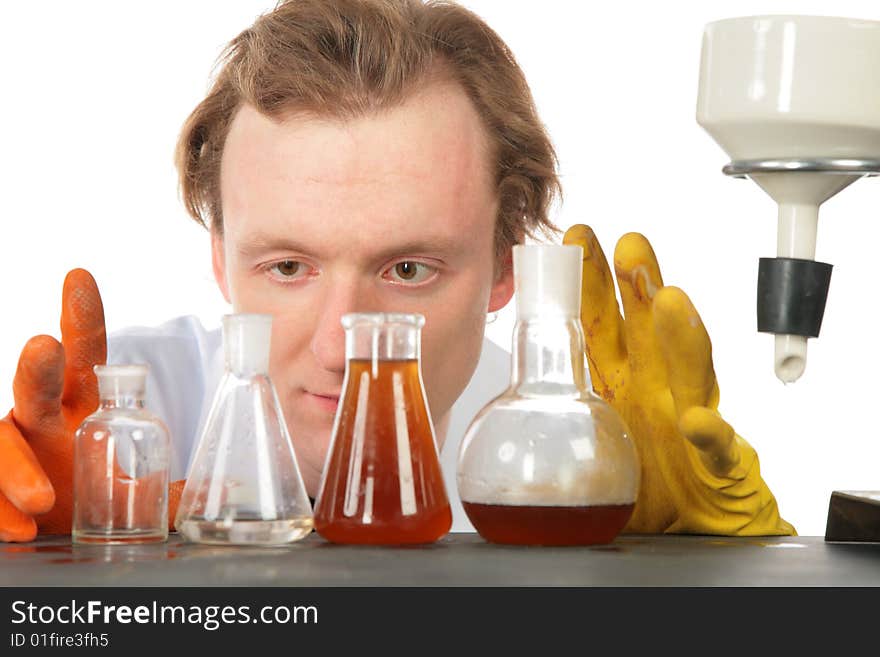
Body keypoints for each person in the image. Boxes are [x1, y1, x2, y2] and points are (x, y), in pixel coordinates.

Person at [0, 0, 794, 542]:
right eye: (287, 266)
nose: (345, 349)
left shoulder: (555, 470)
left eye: (408, 268)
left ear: (506, 263)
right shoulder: (115, 421)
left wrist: (693, 582)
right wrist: (44, 563)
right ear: (219, 257)